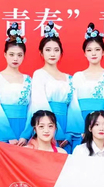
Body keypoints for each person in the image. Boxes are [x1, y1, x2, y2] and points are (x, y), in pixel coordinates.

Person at [68, 23, 104, 151]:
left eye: (97, 49)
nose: (93, 53)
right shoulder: (77, 76)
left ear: (103, 52)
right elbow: (74, 106)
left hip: (102, 128)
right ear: (84, 53)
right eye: (89, 50)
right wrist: (84, 129)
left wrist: (101, 126)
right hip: (81, 129)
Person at [30, 22, 77, 153]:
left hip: (67, 127)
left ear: (61, 52)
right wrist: (56, 131)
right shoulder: (39, 74)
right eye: (48, 50)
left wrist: (69, 133)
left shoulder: (69, 78)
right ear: (41, 52)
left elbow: (73, 107)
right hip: (47, 126)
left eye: (56, 50)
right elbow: (40, 104)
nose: (52, 54)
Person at [0, 23, 32, 145]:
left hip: (24, 132)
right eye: (11, 54)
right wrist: (8, 136)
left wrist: (26, 135)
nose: (15, 58)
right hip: (2, 131)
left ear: (24, 56)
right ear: (5, 54)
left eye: (19, 55)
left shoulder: (28, 80)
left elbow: (32, 108)